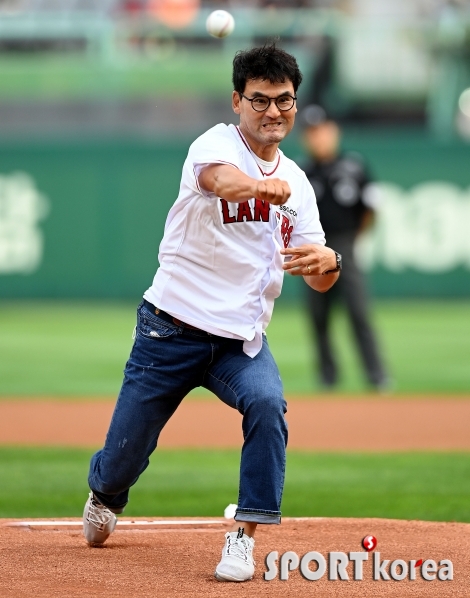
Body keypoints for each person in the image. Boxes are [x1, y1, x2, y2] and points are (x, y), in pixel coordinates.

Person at [82, 44, 341, 583]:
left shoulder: (300, 185)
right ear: (237, 101)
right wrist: (258, 187)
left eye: (284, 100)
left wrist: (329, 262)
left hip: (239, 341)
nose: (274, 111)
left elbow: (317, 278)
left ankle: (244, 537)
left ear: (296, 103)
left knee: (269, 405)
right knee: (124, 457)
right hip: (169, 327)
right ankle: (105, 491)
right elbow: (219, 180)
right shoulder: (216, 143)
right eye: (261, 100)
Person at [299, 104, 388, 390]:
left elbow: (371, 208)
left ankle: (377, 376)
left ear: (334, 131)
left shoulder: (354, 165)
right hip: (312, 250)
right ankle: (328, 377)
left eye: (322, 131)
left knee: (359, 313)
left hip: (344, 244)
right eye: (312, 133)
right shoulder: (300, 171)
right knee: (318, 317)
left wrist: (354, 240)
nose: (318, 138)